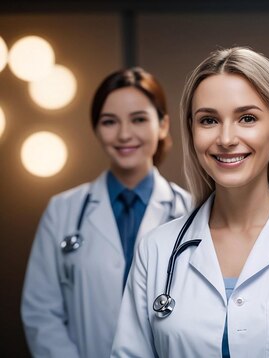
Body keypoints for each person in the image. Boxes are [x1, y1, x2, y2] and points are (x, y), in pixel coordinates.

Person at [111, 47, 269, 357]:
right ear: (192, 130)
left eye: (246, 118)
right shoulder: (156, 249)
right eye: (208, 120)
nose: (226, 138)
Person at [21, 68, 191, 357]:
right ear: (96, 129)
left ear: (162, 125)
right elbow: (41, 313)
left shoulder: (191, 212)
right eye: (109, 122)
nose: (124, 134)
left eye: (138, 119)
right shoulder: (63, 211)